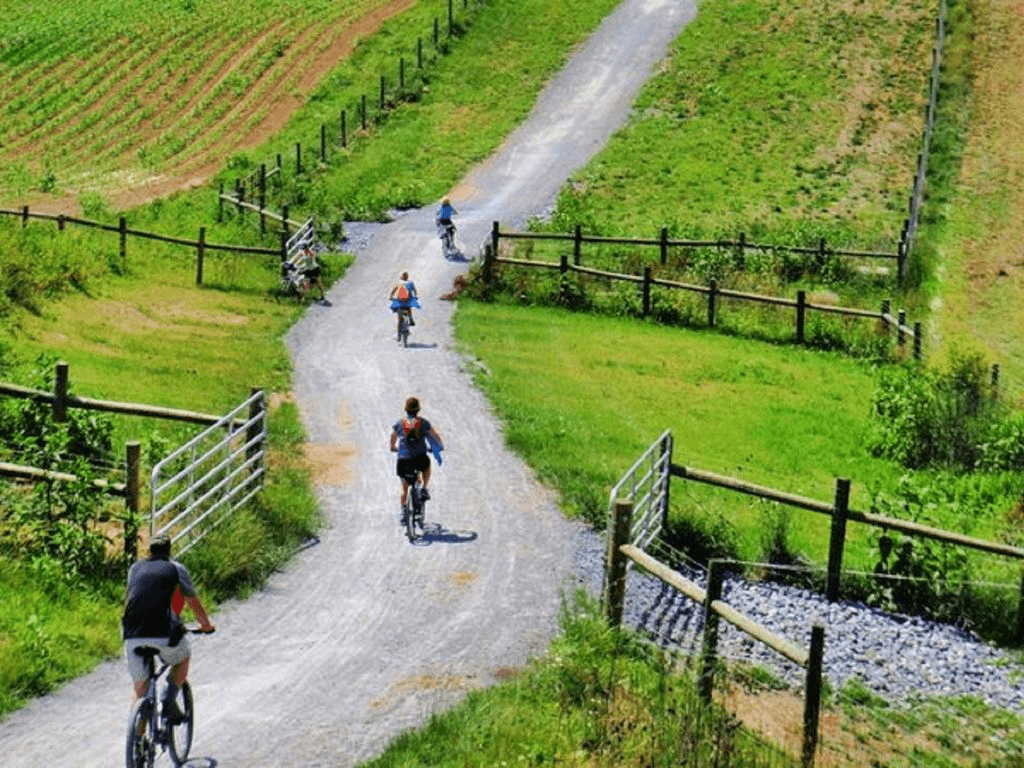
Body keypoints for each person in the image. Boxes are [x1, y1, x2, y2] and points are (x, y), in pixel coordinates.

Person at [122, 535, 215, 722]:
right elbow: (192, 600)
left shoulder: (134, 568)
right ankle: (168, 700)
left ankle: (138, 742)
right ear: (169, 551)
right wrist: (206, 625)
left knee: (140, 688)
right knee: (182, 658)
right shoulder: (176, 568)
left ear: (149, 551)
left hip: (131, 633)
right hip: (162, 632)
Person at [389, 396, 444, 518]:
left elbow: (393, 436)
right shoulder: (423, 423)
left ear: (405, 409)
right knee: (426, 464)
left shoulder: (399, 423)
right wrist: (439, 446)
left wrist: (393, 447)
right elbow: (434, 436)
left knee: (404, 488)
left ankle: (404, 512)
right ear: (418, 409)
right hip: (420, 459)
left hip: (403, 461)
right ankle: (424, 487)